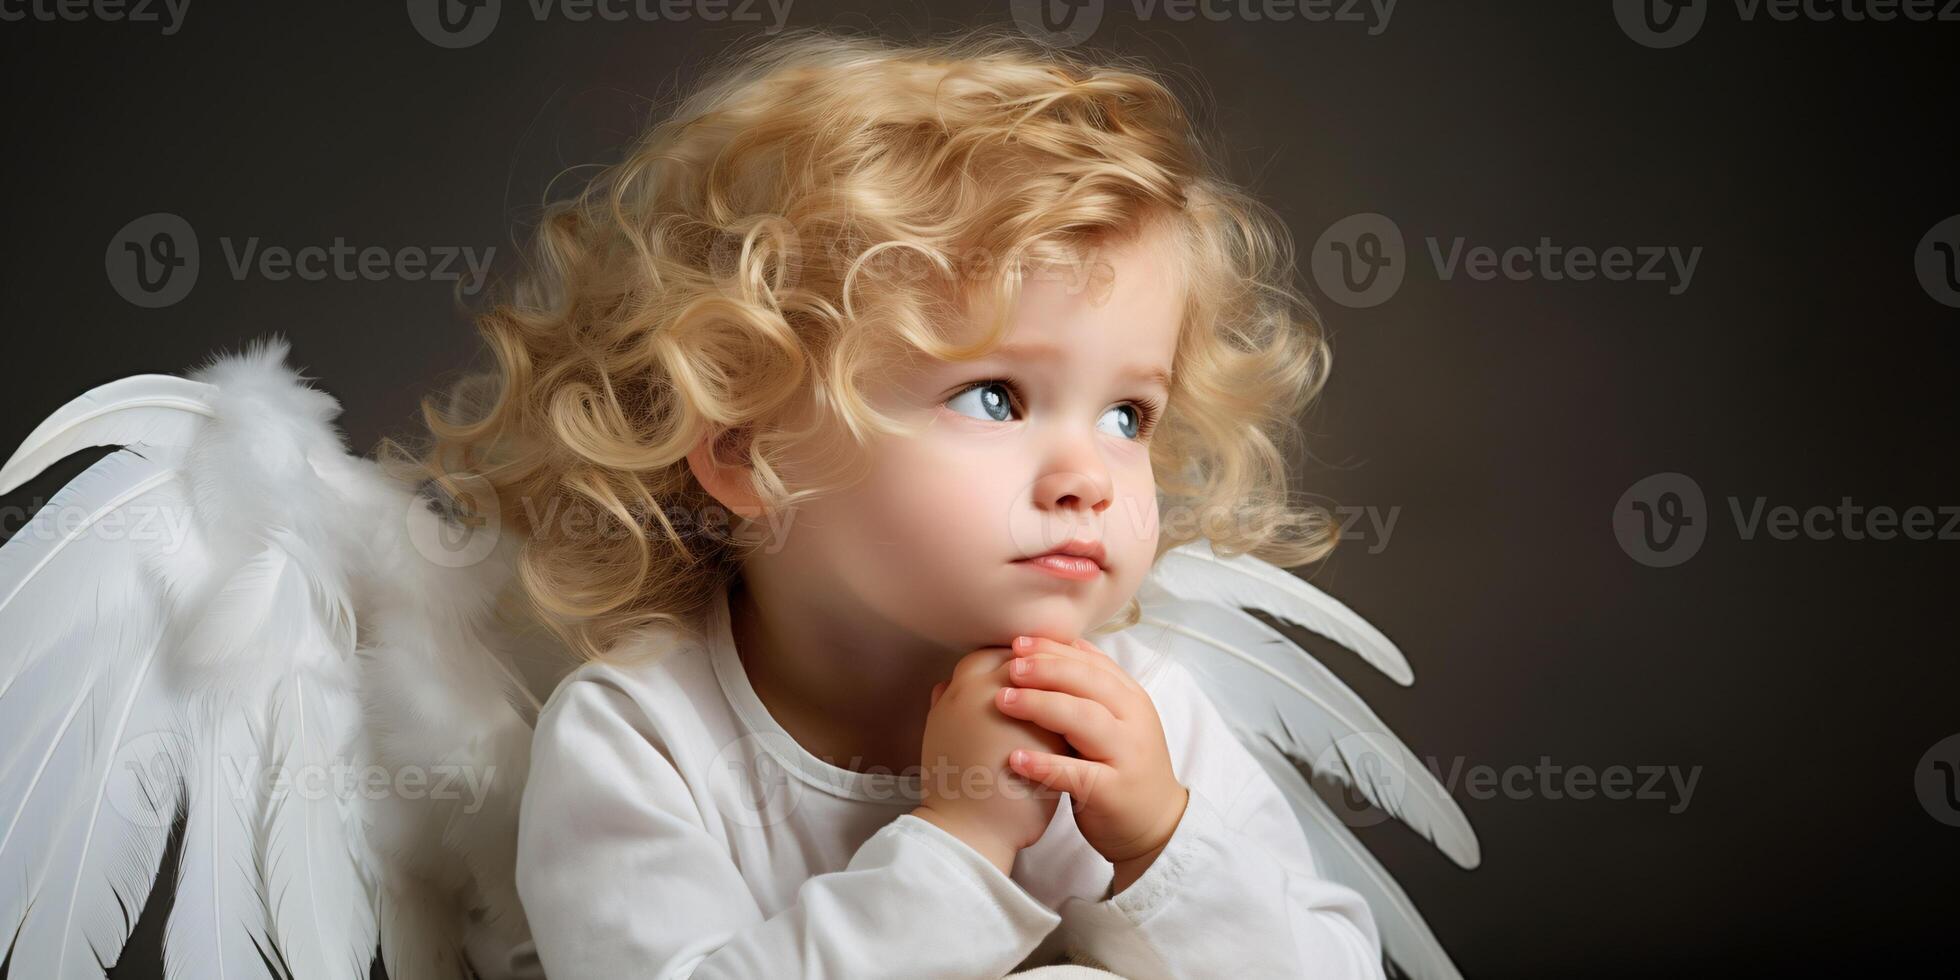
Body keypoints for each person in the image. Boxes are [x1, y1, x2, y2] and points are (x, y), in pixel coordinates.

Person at [418, 25, 1386, 979]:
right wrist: (959, 842)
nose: (1088, 475)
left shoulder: (1137, 714)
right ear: (745, 444)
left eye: (1128, 414)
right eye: (996, 397)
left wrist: (1163, 842)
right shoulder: (641, 736)